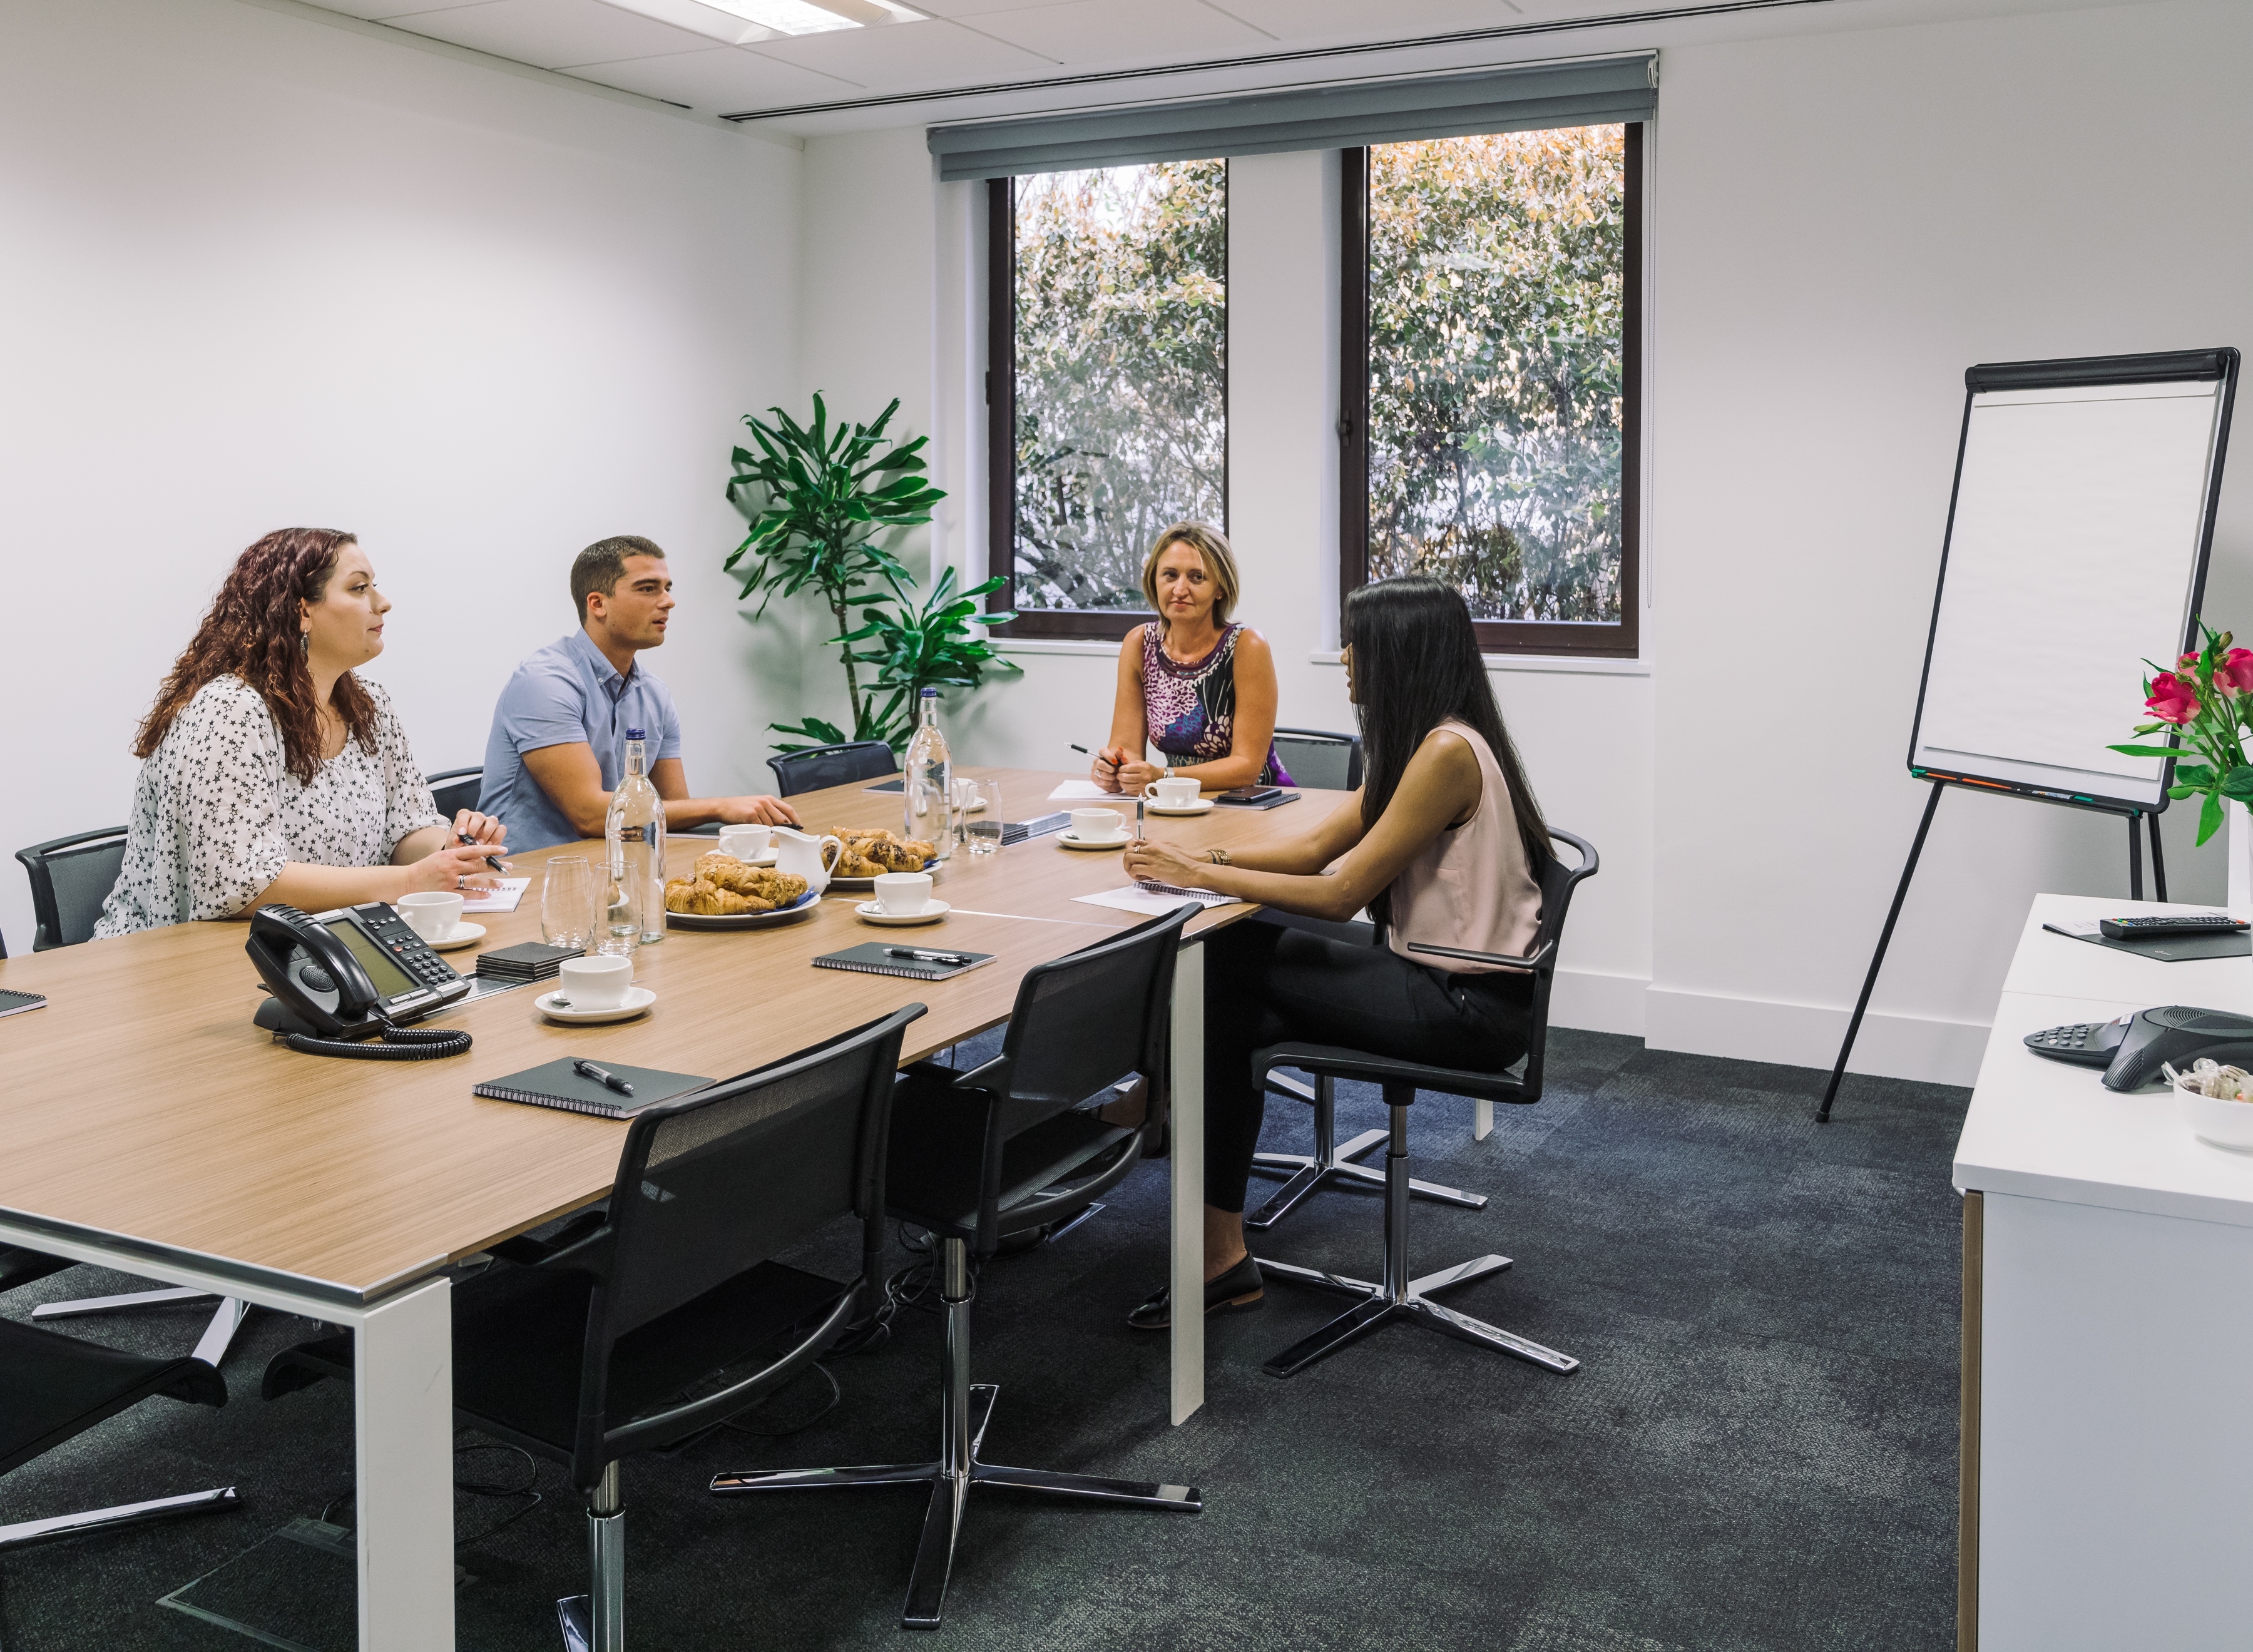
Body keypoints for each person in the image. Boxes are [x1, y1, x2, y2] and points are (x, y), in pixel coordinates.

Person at [1118, 574, 1549, 1327]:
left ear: (1397, 649)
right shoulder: (1423, 739)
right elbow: (1318, 845)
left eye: (1356, 643)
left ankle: (1174, 1150)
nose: (1346, 658)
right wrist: (1210, 860)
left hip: (1469, 1006)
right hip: (1438, 974)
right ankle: (1212, 1233)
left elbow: (1341, 892)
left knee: (1225, 971)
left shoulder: (1446, 753)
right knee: (1234, 972)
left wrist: (1196, 874)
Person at [95, 529, 510, 937]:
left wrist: (449, 850)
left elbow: (406, 826)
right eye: (359, 588)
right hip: (177, 966)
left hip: (322, 947)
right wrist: (409, 883)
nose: (383, 603)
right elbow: (243, 886)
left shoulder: (371, 704)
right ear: (303, 612)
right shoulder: (230, 710)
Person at [479, 536, 800, 850]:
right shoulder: (544, 682)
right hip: (527, 879)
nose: (668, 601)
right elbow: (589, 815)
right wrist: (721, 806)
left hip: (616, 868)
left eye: (667, 588)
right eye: (648, 589)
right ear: (598, 604)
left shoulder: (655, 695)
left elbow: (673, 809)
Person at [1091, 522, 1290, 795]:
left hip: (1254, 801)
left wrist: (1163, 777)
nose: (1180, 589)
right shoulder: (1139, 644)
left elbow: (1247, 767)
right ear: (1154, 581)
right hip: (1177, 801)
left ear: (1219, 588)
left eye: (1197, 577)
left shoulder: (1247, 645)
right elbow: (1126, 751)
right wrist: (1114, 769)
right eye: (1170, 575)